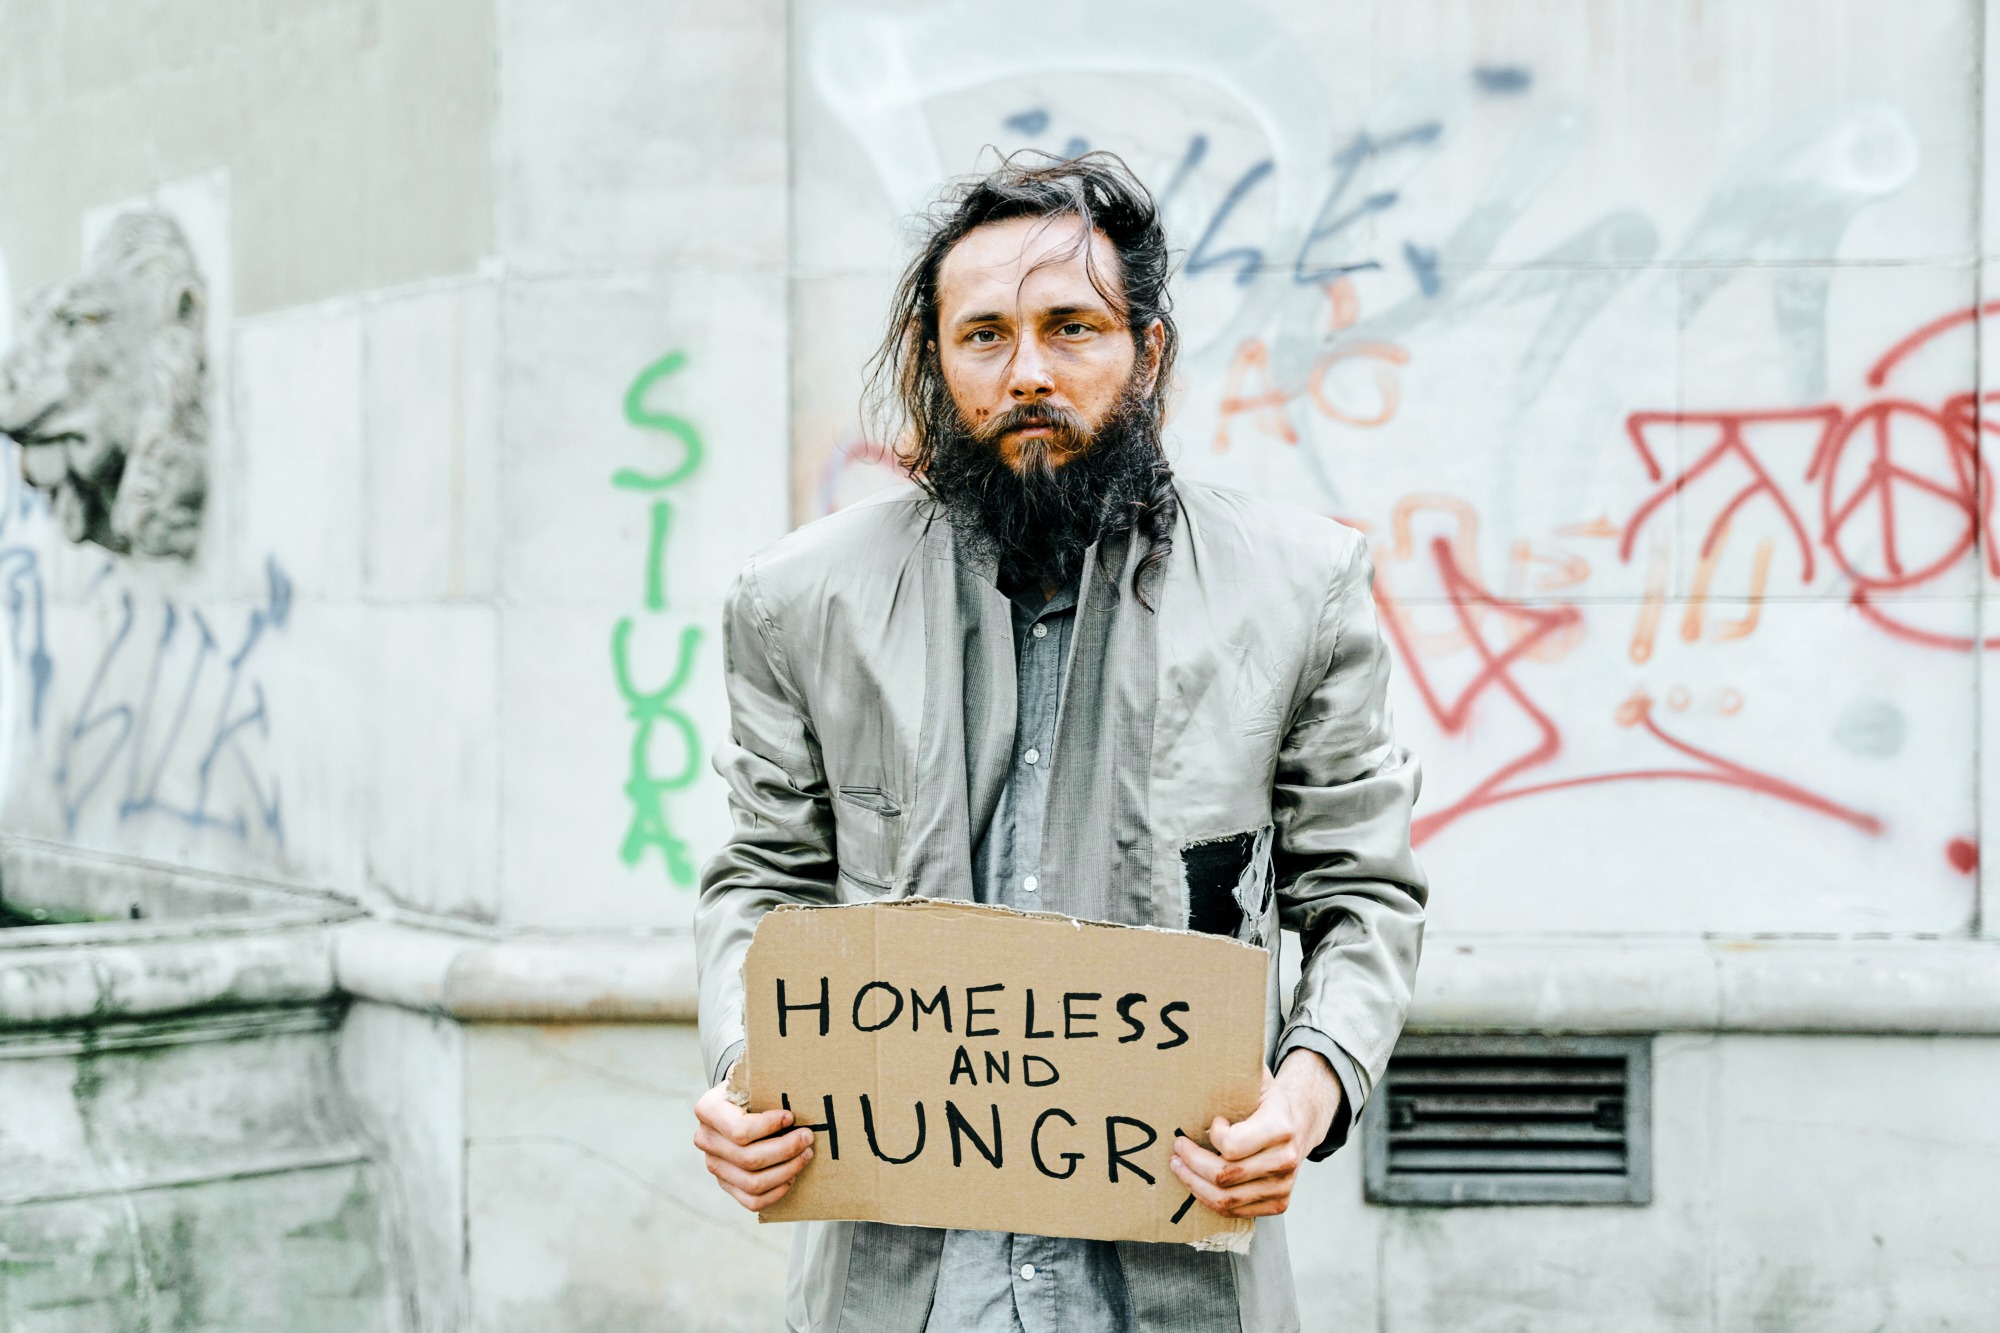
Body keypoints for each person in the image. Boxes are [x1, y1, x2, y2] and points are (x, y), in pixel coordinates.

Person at [691, 152, 1426, 1333]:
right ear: (938, 364)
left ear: (1149, 352)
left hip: (1176, 1285)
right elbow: (764, 882)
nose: (1026, 371)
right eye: (982, 336)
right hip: (899, 1285)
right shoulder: (798, 602)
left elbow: (1360, 894)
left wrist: (1303, 1094)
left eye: (1070, 327)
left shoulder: (1300, 588)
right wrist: (743, 1071)